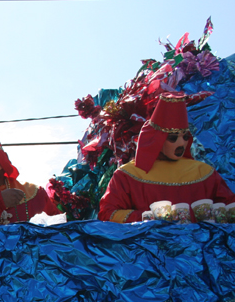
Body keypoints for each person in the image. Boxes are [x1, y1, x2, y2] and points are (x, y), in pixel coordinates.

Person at [99, 92, 235, 222]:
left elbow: (230, 209)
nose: (181, 143)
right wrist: (150, 218)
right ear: (157, 139)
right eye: (173, 138)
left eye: (185, 137)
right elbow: (108, 213)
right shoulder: (127, 176)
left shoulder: (205, 173)